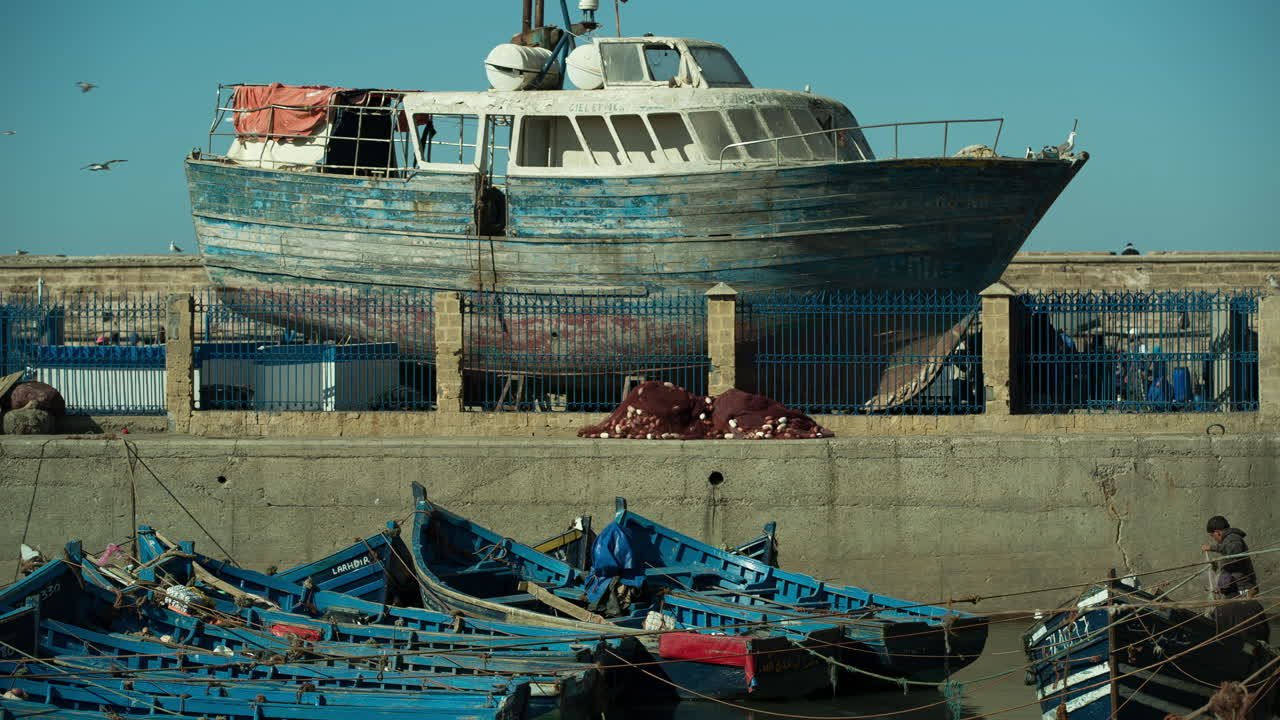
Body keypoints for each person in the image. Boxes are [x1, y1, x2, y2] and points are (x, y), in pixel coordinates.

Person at [1202, 515, 1259, 597]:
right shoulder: (1228, 540)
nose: (1213, 538)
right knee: (1228, 603)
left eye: (1212, 535)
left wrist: (1212, 547)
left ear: (1218, 532)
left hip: (1243, 588)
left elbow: (1234, 549)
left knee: (1238, 603)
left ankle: (1247, 595)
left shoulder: (1233, 537)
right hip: (1236, 588)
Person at [1210, 574, 1269, 646]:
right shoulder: (1254, 604)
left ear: (1221, 591)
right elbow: (1266, 630)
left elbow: (1217, 635)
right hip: (1256, 648)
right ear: (1237, 586)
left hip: (1233, 649)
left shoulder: (1217, 611)